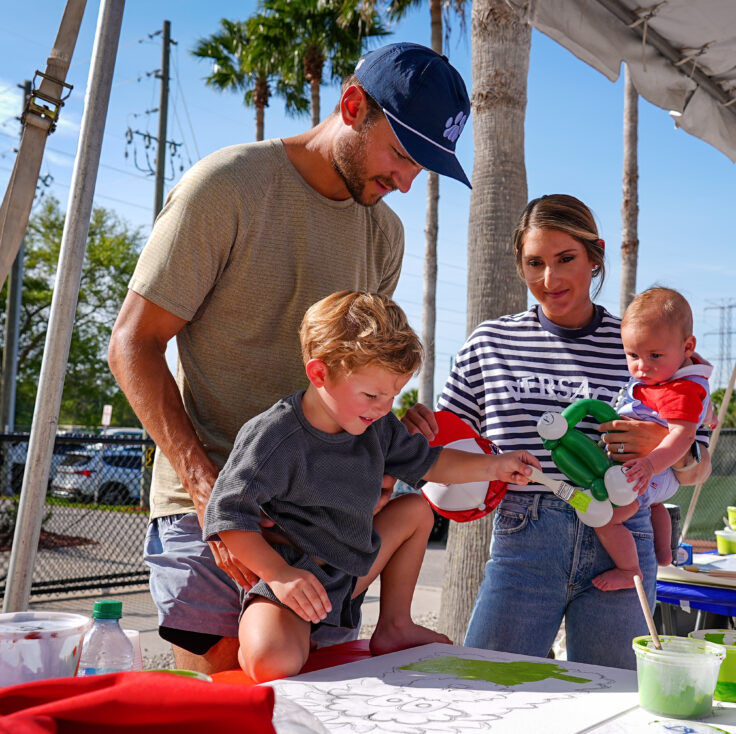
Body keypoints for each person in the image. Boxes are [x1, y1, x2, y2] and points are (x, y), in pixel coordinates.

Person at [107, 42, 471, 674]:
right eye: (401, 154)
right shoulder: (227, 186)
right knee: (226, 700)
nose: (408, 182)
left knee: (309, 706)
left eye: (423, 167)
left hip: (324, 530)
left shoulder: (385, 234)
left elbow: (355, 374)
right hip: (217, 510)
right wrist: (205, 488)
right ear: (352, 105)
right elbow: (132, 345)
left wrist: (386, 437)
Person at [402, 194, 713, 670]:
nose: (549, 279)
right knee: (488, 689)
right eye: (535, 263)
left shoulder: (645, 340)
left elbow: (698, 469)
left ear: (595, 257)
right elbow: (445, 453)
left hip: (623, 539)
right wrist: (418, 434)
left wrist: (662, 449)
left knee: (611, 700)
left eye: (566, 258)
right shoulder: (489, 345)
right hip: (524, 541)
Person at [203, 292, 538, 682]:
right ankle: (277, 631)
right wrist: (280, 575)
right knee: (271, 662)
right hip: (294, 578)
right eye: (372, 395)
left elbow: (433, 463)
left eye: (392, 396)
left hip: (351, 570)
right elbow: (226, 514)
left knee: (415, 510)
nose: (384, 408)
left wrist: (495, 466)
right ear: (319, 374)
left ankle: (395, 625)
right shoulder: (274, 436)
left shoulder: (378, 427)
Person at [592, 287, 713, 591]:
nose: (642, 367)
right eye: (633, 355)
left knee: (606, 519)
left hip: (652, 471)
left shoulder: (679, 390)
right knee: (654, 506)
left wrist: (649, 464)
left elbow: (682, 437)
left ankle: (628, 569)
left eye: (654, 356)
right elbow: (704, 411)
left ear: (688, 347)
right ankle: (664, 554)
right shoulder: (675, 377)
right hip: (657, 477)